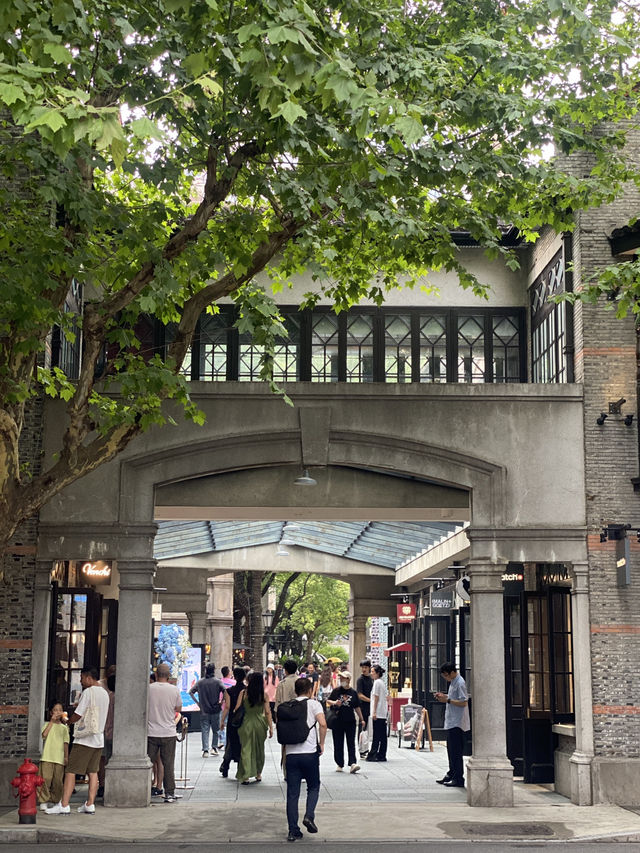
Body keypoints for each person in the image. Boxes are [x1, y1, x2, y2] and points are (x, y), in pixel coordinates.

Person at [45, 666, 110, 815]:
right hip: (98, 738)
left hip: (85, 739)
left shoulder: (88, 692)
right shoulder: (105, 693)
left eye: (81, 678)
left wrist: (67, 721)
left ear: (88, 677)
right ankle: (90, 804)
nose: (80, 681)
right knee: (93, 772)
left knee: (71, 771)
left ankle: (64, 804)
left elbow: (78, 714)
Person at [284, 677, 326, 843]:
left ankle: (292, 830)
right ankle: (309, 815)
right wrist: (321, 744)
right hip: (309, 753)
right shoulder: (314, 704)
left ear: (295, 691)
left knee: (292, 794)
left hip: (291, 754)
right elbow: (323, 724)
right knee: (313, 786)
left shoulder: (288, 706)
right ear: (310, 690)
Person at [147, 662, 182, 803]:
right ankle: (169, 793)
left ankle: (144, 788)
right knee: (168, 764)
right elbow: (178, 708)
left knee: (148, 763)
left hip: (151, 732)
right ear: (168, 676)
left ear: (156, 675)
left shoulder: (149, 689)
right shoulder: (174, 690)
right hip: (168, 732)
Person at [434, 662, 470, 787]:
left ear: (452, 672)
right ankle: (452, 773)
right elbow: (455, 698)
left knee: (456, 751)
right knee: (451, 750)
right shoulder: (454, 682)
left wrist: (447, 700)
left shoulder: (460, 683)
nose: (445, 678)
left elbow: (464, 702)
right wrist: (445, 696)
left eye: (446, 675)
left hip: (458, 722)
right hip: (452, 721)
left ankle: (458, 778)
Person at [235, 671, 273, 784]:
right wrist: (271, 727)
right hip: (260, 724)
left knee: (246, 748)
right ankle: (258, 773)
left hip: (246, 723)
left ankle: (246, 775)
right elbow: (267, 712)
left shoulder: (243, 693)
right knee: (259, 748)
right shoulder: (264, 695)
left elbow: (237, 708)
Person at [326, 671, 364, 773]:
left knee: (351, 742)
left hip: (350, 720)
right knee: (338, 742)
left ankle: (352, 763)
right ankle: (339, 763)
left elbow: (357, 707)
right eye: (341, 678)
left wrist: (362, 719)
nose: (341, 680)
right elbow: (328, 701)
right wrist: (335, 702)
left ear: (348, 679)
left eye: (344, 678)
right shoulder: (336, 691)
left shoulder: (353, 692)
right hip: (337, 721)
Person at [189, 663, 226, 758]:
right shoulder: (217, 682)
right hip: (215, 709)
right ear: (213, 670)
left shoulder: (201, 682)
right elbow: (225, 691)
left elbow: (191, 692)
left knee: (205, 730)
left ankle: (205, 749)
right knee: (215, 730)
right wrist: (221, 701)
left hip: (204, 709)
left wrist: (198, 703)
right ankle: (214, 747)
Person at [38, 702, 70, 810]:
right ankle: (43, 800)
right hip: (47, 756)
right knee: (45, 779)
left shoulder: (64, 728)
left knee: (58, 781)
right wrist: (51, 721)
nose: (58, 712)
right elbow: (44, 735)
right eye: (55, 710)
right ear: (51, 712)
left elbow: (66, 743)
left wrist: (66, 757)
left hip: (59, 757)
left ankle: (56, 800)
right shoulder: (47, 724)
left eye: (60, 710)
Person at [219, 666, 246, 778]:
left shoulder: (229, 691)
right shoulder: (246, 690)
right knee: (242, 743)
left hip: (232, 719)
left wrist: (222, 721)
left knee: (230, 742)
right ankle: (240, 768)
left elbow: (227, 707)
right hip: (243, 719)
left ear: (234, 676)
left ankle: (225, 765)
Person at [366, 665, 388, 762]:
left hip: (378, 712)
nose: (371, 674)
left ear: (377, 673)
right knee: (382, 735)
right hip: (382, 711)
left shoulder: (376, 683)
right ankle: (382, 754)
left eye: (373, 672)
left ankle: (373, 754)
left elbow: (376, 697)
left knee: (376, 734)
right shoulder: (382, 683)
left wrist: (374, 712)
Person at [356, 659, 373, 756]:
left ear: (369, 667)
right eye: (362, 667)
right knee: (362, 727)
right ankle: (362, 749)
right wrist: (371, 700)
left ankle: (366, 748)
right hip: (363, 707)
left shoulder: (371, 679)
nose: (364, 669)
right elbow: (360, 695)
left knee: (368, 729)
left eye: (365, 667)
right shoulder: (360, 680)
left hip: (371, 707)